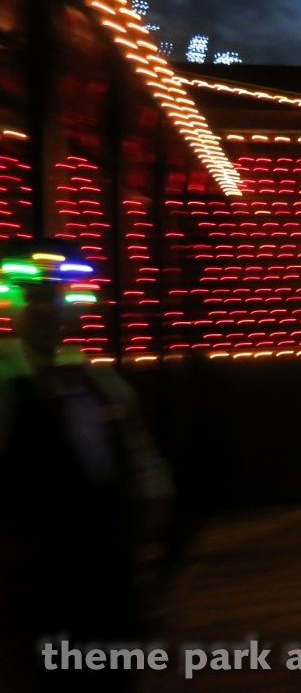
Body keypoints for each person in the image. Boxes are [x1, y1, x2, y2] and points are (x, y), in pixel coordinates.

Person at [0, 242, 174, 691]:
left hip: (104, 572)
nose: (47, 312)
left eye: (54, 300)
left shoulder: (99, 381)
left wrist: (145, 545)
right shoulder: (7, 384)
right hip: (40, 580)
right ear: (16, 308)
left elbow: (143, 469)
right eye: (35, 301)